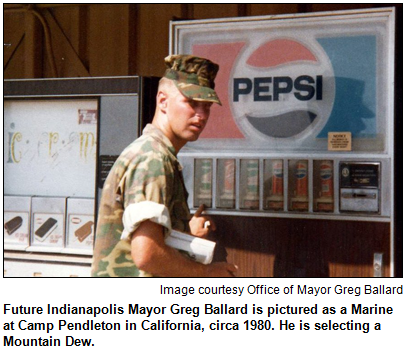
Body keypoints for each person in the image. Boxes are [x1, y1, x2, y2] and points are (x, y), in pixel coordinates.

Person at [92, 54, 237, 277]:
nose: (201, 115)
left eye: (206, 106)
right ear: (163, 101)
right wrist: (206, 273)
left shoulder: (156, 152)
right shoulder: (154, 159)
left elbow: (146, 239)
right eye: (191, 103)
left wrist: (187, 233)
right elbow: (147, 254)